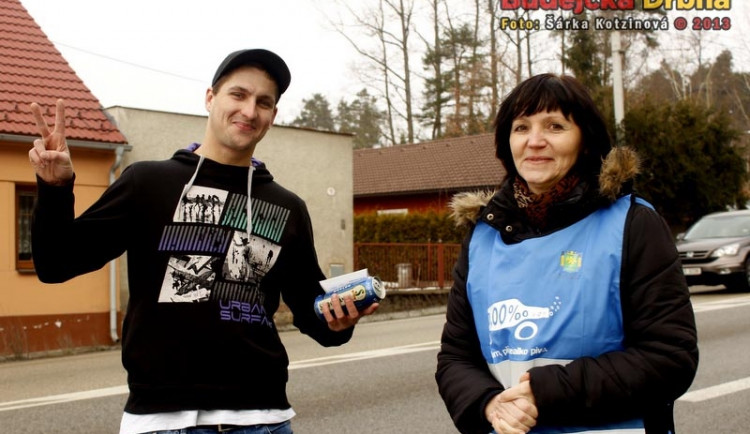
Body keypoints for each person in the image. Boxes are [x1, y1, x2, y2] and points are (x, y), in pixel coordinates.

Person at [29, 48, 378, 434]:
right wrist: (56, 188)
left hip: (262, 421)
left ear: (273, 116)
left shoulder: (287, 207)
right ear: (211, 98)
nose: (250, 111)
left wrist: (340, 322)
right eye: (238, 95)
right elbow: (56, 263)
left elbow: (313, 314)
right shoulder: (147, 183)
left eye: (264, 102)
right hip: (160, 422)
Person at [435, 73, 698, 434]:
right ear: (506, 144)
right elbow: (456, 356)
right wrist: (488, 403)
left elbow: (669, 358)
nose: (535, 141)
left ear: (585, 141)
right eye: (521, 127)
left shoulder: (634, 224)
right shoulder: (483, 237)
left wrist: (546, 391)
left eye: (555, 126)